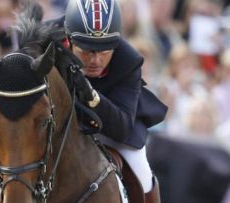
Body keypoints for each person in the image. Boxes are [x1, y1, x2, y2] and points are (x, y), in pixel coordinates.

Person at [56, 0, 168, 202]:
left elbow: (121, 127)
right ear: (69, 40)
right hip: (56, 119)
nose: (95, 61)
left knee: (142, 174)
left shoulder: (129, 61)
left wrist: (92, 96)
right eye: (86, 51)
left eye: (105, 52)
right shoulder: (48, 38)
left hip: (109, 124)